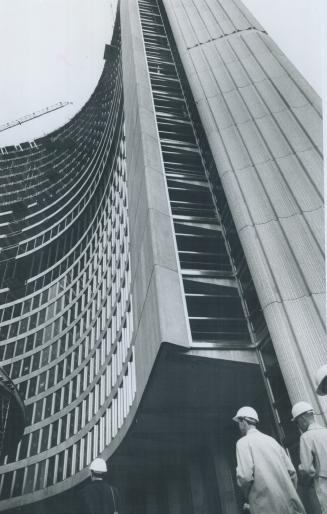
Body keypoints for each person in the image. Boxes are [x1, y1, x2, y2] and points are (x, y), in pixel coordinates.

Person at [233, 406, 305, 514]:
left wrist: (250, 497)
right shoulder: (272, 441)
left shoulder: (242, 443)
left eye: (239, 422)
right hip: (288, 505)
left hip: (264, 507)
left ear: (243, 422)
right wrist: (289, 493)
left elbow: (245, 477)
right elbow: (292, 473)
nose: (239, 426)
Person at [292, 401, 327, 514]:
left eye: (297, 422)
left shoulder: (306, 437)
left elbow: (307, 470)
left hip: (323, 485)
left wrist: (303, 481)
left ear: (302, 419)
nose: (299, 426)